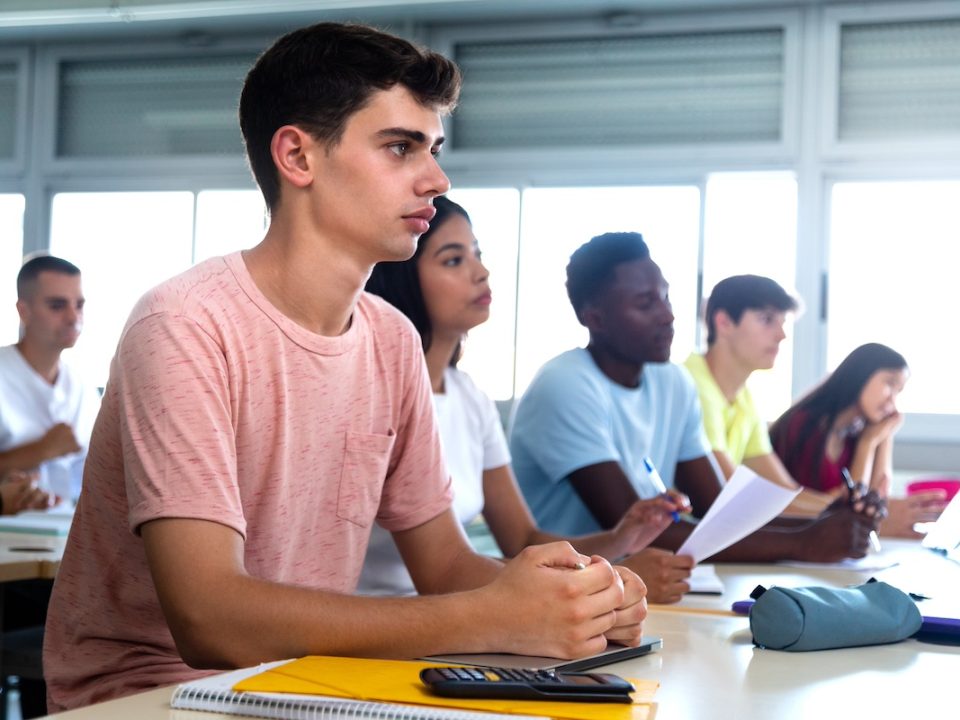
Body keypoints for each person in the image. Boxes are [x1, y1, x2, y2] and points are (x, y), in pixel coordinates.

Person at [43, 23, 645, 713]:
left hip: (303, 683)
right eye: (400, 148)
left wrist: (575, 600)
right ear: (297, 155)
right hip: (149, 695)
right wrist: (497, 616)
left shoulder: (391, 339)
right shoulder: (184, 325)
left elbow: (446, 567)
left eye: (434, 149)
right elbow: (209, 618)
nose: (437, 179)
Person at [358, 196, 685, 598]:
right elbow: (449, 572)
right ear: (403, 277)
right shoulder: (373, 392)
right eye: (453, 260)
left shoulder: (469, 396)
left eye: (477, 254)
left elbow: (523, 539)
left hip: (450, 615)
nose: (481, 272)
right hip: (387, 620)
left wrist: (621, 538)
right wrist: (605, 580)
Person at [510, 232, 879, 570]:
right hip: (562, 581)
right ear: (595, 319)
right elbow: (628, 532)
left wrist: (827, 521)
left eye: (665, 296)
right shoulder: (566, 385)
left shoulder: (673, 382)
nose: (668, 315)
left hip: (634, 580)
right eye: (645, 303)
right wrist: (805, 542)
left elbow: (718, 510)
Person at [683, 275, 832, 516]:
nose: (782, 334)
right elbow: (733, 494)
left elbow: (783, 491)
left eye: (783, 322)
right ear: (723, 323)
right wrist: (839, 517)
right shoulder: (690, 385)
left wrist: (844, 511)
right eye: (767, 320)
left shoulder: (744, 398)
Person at [769, 343, 945, 537]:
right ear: (861, 375)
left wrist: (884, 436)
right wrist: (867, 445)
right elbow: (852, 507)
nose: (892, 402)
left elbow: (876, 497)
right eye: (889, 384)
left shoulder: (857, 432)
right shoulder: (803, 424)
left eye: (898, 392)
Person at [0, 254, 97, 507]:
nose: (73, 317)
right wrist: (43, 450)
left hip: (66, 533)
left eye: (79, 305)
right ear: (24, 311)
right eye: (57, 305)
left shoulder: (82, 388)